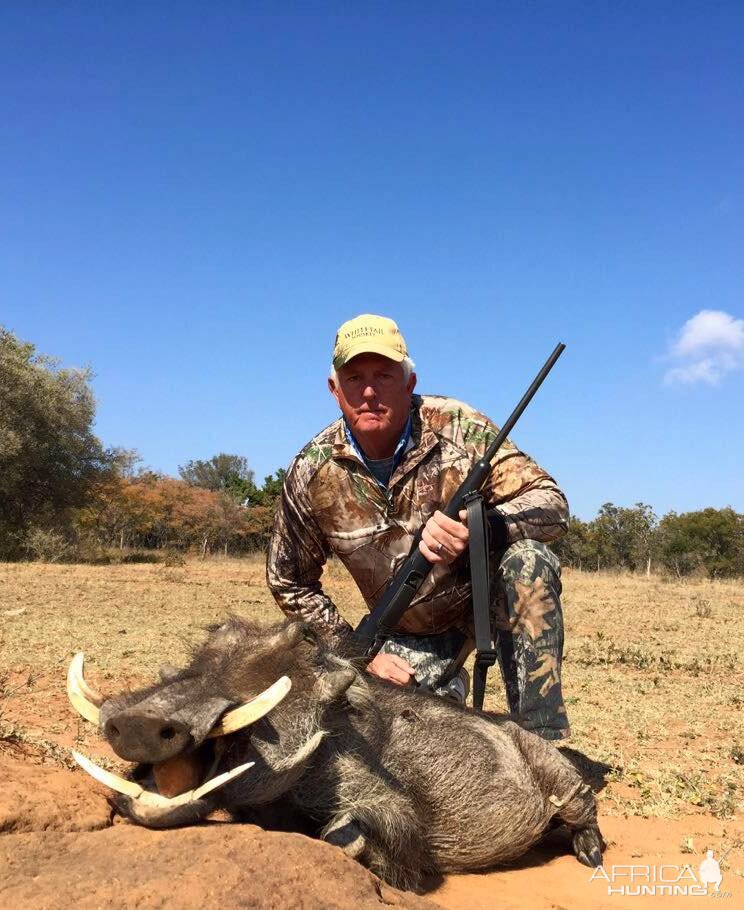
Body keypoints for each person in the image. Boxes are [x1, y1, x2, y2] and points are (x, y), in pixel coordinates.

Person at [267, 314, 571, 740]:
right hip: (410, 629)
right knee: (382, 731)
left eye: (384, 375)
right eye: (354, 378)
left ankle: (542, 740)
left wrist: (481, 528)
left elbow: (552, 504)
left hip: (486, 599)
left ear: (409, 383)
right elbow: (289, 581)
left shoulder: (460, 426)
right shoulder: (311, 470)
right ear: (335, 391)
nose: (369, 392)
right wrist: (354, 652)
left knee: (530, 561)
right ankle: (446, 692)